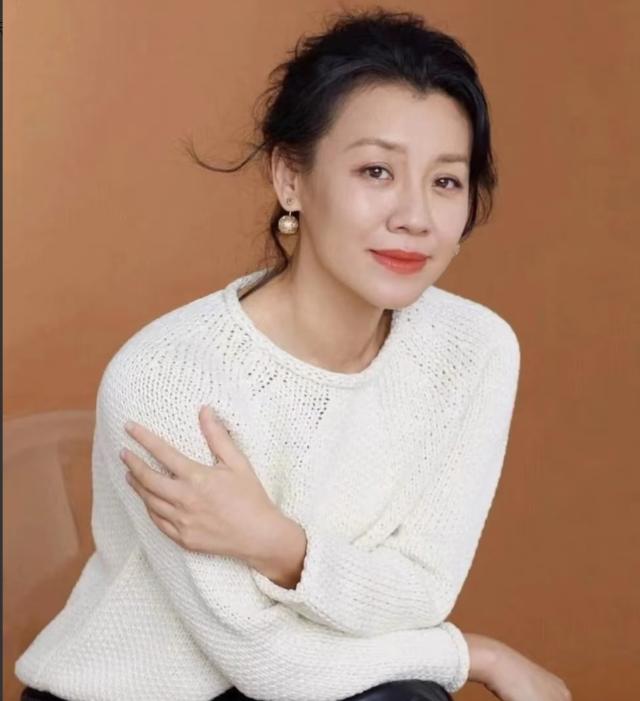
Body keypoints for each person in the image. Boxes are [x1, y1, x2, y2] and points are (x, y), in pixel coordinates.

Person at [16, 8, 571, 701]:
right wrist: (475, 655)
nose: (415, 217)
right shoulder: (168, 375)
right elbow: (264, 659)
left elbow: (420, 592)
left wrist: (278, 544)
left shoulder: (474, 350)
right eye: (376, 170)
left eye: (446, 181)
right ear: (290, 179)